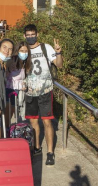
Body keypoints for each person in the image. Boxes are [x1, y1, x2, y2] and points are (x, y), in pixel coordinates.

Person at [23, 24, 63, 166]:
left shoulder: (46, 48)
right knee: (33, 122)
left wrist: (58, 53)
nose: (30, 37)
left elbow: (59, 65)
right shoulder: (24, 50)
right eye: (28, 35)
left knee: (47, 121)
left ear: (37, 34)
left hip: (46, 91)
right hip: (30, 92)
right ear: (24, 36)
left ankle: (50, 152)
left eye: (32, 34)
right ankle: (37, 147)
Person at [4, 41, 32, 128]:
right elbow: (5, 74)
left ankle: (8, 128)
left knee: (14, 110)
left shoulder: (25, 62)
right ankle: (6, 129)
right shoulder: (12, 60)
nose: (24, 53)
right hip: (10, 88)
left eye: (25, 51)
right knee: (9, 111)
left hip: (19, 90)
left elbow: (24, 77)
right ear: (17, 50)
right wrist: (8, 70)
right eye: (22, 50)